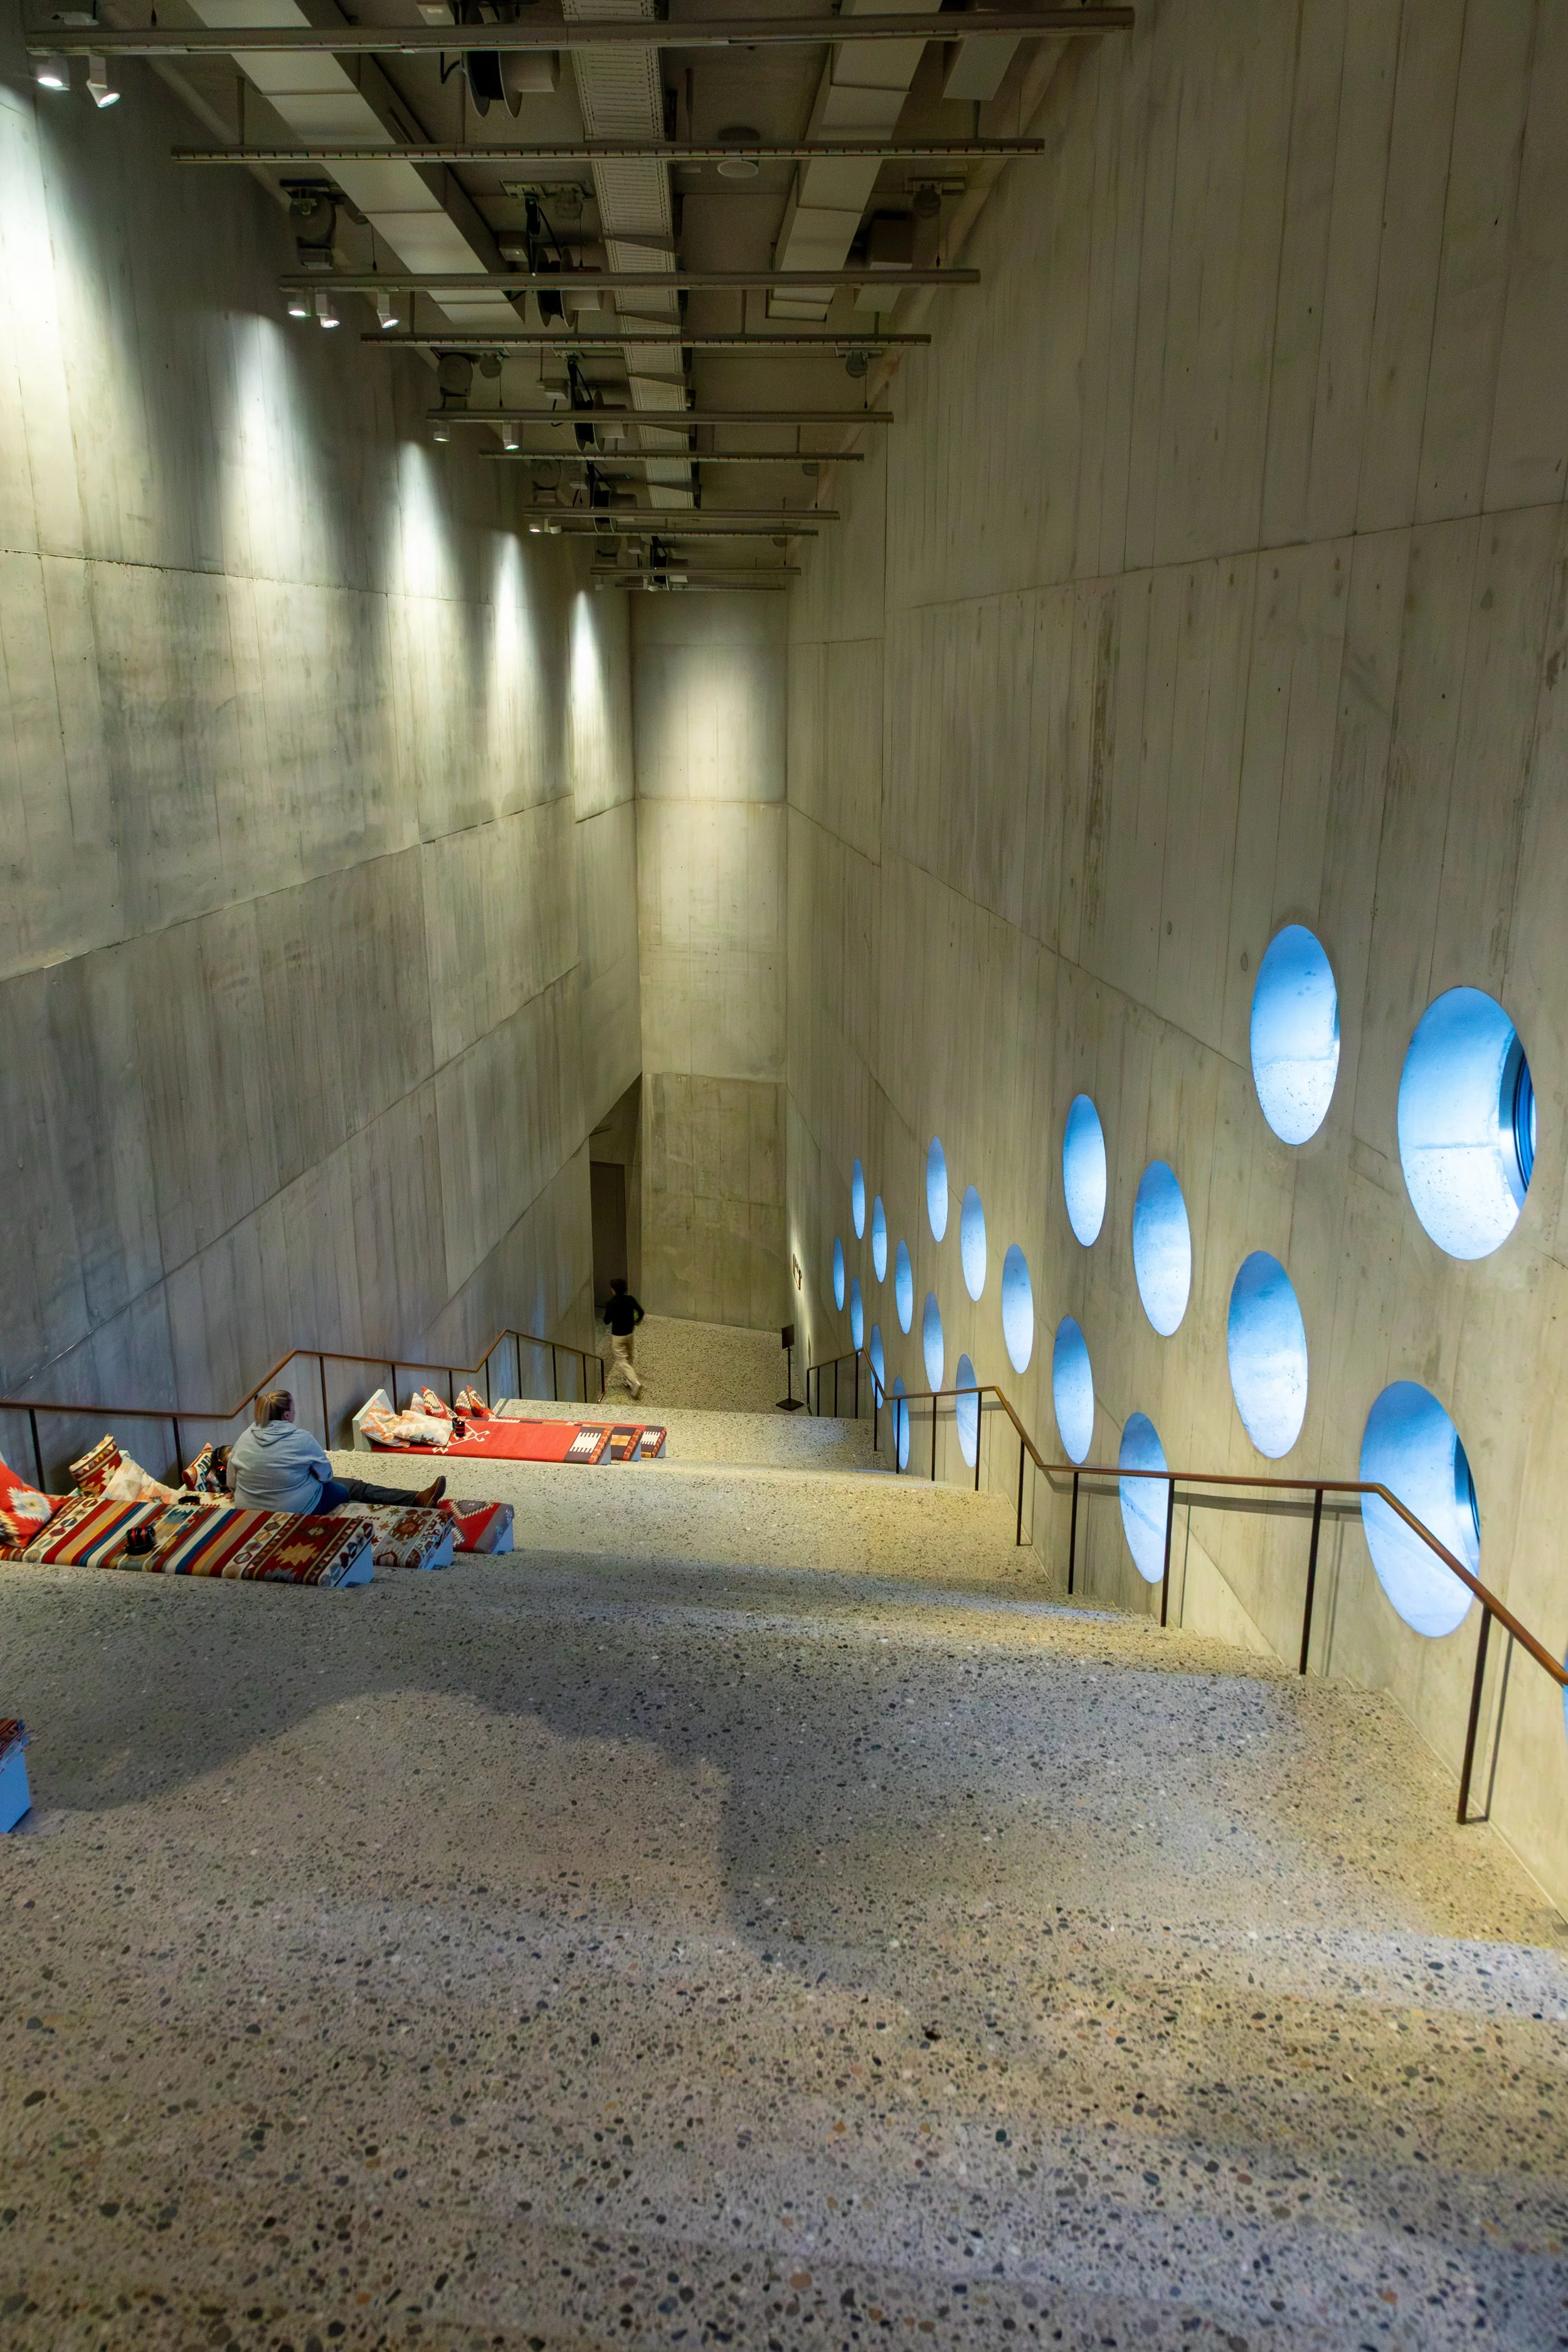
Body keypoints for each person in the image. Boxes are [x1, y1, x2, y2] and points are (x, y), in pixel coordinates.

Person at [226, 1390, 445, 1514]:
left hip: (248, 1509)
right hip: (295, 1509)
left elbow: (232, 1482)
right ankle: (416, 1499)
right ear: (286, 1416)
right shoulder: (301, 1439)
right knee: (351, 1488)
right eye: (293, 1407)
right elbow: (326, 1476)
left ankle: (415, 1498)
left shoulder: (244, 1437)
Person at [602, 1277, 645, 1398]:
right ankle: (629, 1381)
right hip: (630, 1333)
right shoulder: (630, 1299)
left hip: (618, 1336)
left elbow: (606, 1321)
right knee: (630, 1356)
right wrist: (636, 1321)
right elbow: (641, 1312)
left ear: (614, 1290)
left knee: (621, 1361)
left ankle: (635, 1383)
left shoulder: (611, 1303)